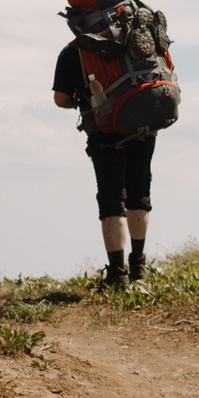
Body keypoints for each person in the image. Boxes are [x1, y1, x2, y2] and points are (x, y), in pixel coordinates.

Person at [53, 40, 153, 286]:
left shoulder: (72, 50)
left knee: (111, 199)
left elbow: (60, 98)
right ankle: (138, 267)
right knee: (139, 192)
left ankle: (117, 275)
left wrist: (84, 100)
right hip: (144, 125)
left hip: (103, 130)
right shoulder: (136, 38)